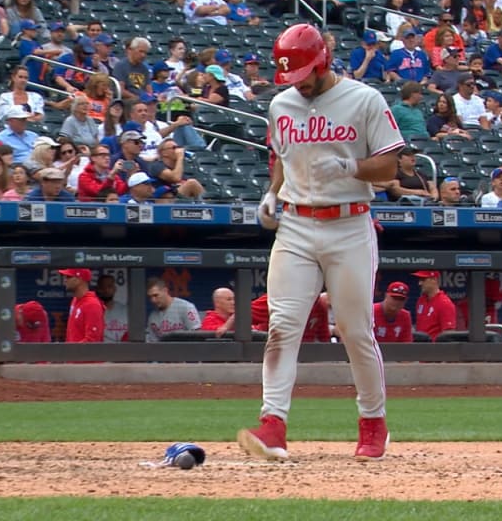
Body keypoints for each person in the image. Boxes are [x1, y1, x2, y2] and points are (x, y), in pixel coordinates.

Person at [239, 24, 402, 463]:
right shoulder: (281, 104)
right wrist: (272, 191)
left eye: (305, 73)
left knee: (353, 329)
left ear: (324, 60)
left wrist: (350, 166)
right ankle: (273, 424)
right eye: (292, 76)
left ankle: (373, 421)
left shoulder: (364, 99)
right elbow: (281, 159)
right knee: (282, 325)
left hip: (349, 224)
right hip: (295, 225)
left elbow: (390, 166)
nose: (300, 83)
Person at [146, 277, 201, 341]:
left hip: (185, 349)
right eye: (150, 297)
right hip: (163, 350)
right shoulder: (152, 317)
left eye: (156, 295)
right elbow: (151, 342)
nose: (153, 300)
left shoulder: (186, 307)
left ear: (165, 291)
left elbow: (197, 336)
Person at [58, 268, 104, 343]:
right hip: (72, 353)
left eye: (69, 277)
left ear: (79, 279)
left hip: (84, 354)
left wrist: (73, 352)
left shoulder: (92, 305)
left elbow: (92, 341)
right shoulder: (75, 300)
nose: (65, 280)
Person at [413, 270, 456, 341]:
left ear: (434, 280)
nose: (419, 283)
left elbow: (448, 335)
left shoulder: (444, 303)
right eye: (420, 280)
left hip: (435, 349)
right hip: (420, 347)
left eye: (423, 279)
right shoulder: (421, 301)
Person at [96, 273, 128, 342]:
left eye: (110, 286)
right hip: (101, 351)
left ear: (114, 289)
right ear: (98, 289)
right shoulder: (93, 311)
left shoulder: (125, 310)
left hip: (124, 351)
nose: (106, 289)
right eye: (103, 287)